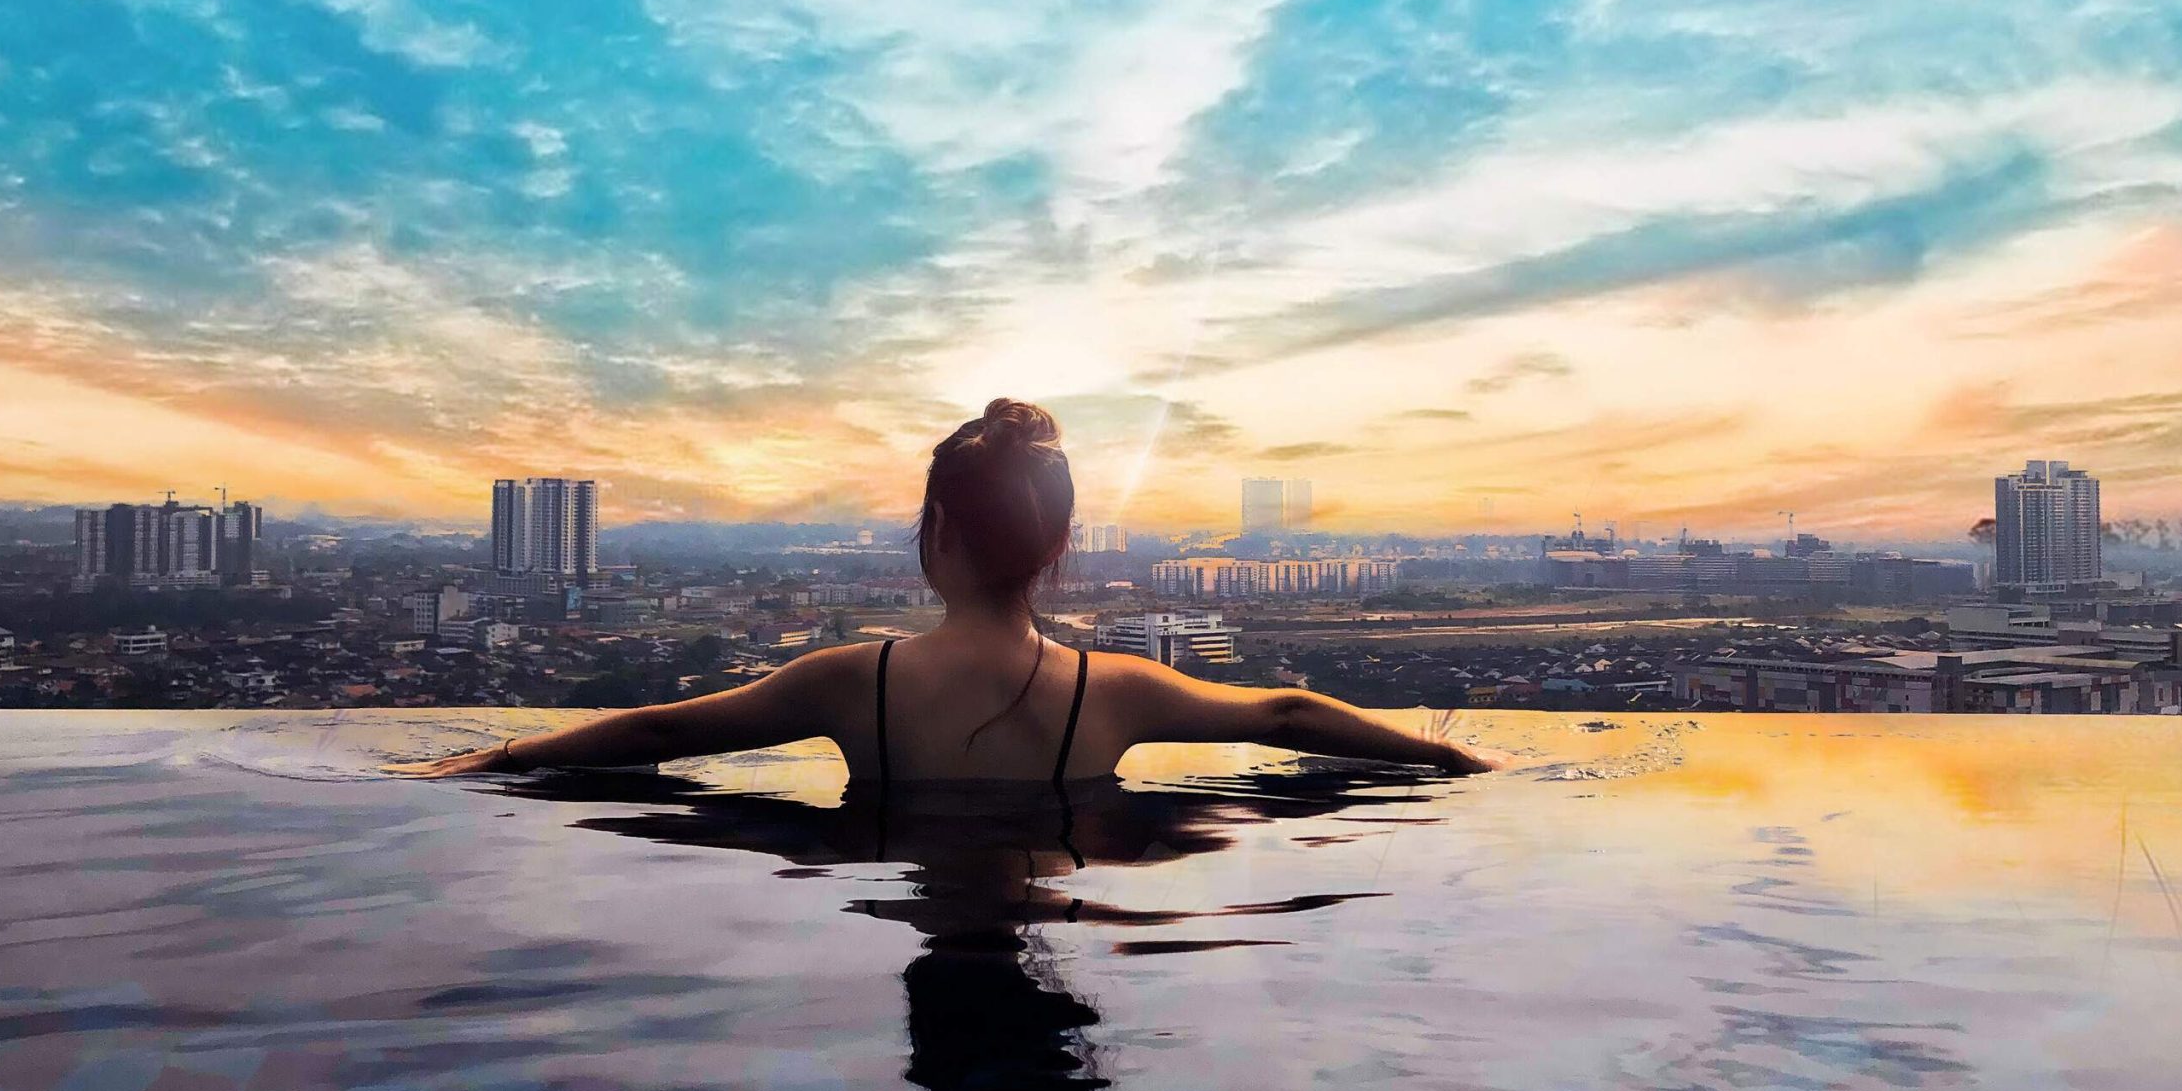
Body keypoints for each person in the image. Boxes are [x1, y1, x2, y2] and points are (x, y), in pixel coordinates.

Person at [388, 398, 1510, 781]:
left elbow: (656, 733)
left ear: (933, 537)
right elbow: (1284, 717)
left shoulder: (847, 680)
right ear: (1059, 548)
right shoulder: (1114, 691)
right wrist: (1448, 754)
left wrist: (491, 756)